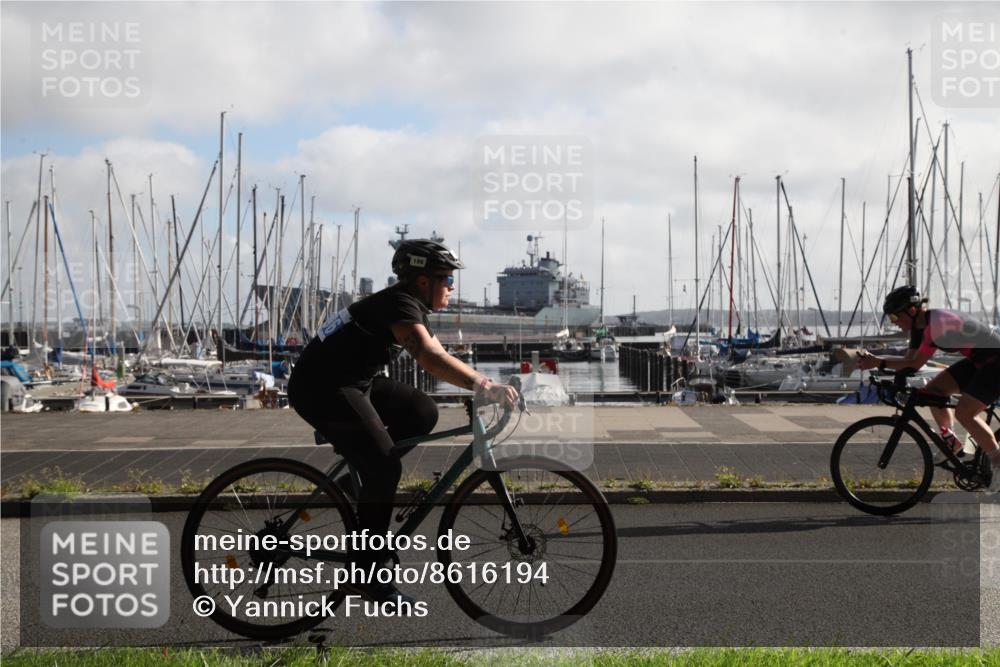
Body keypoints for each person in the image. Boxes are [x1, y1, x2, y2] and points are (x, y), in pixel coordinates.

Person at [287, 239, 519, 607]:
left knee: (422, 412)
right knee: (385, 467)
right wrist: (485, 386)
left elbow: (438, 353)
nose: (452, 287)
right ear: (423, 281)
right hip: (321, 389)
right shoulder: (399, 304)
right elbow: (428, 356)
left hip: (353, 382)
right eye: (446, 279)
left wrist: (478, 382)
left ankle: (358, 481)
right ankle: (366, 575)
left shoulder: (409, 304)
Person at [857, 286, 1000, 486]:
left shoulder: (937, 325)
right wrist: (877, 361)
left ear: (911, 311)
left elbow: (915, 363)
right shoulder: (920, 327)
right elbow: (907, 360)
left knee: (965, 413)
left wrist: (878, 363)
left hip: (995, 361)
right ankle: (950, 444)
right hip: (979, 360)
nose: (893, 322)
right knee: (933, 391)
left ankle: (997, 462)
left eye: (895, 316)